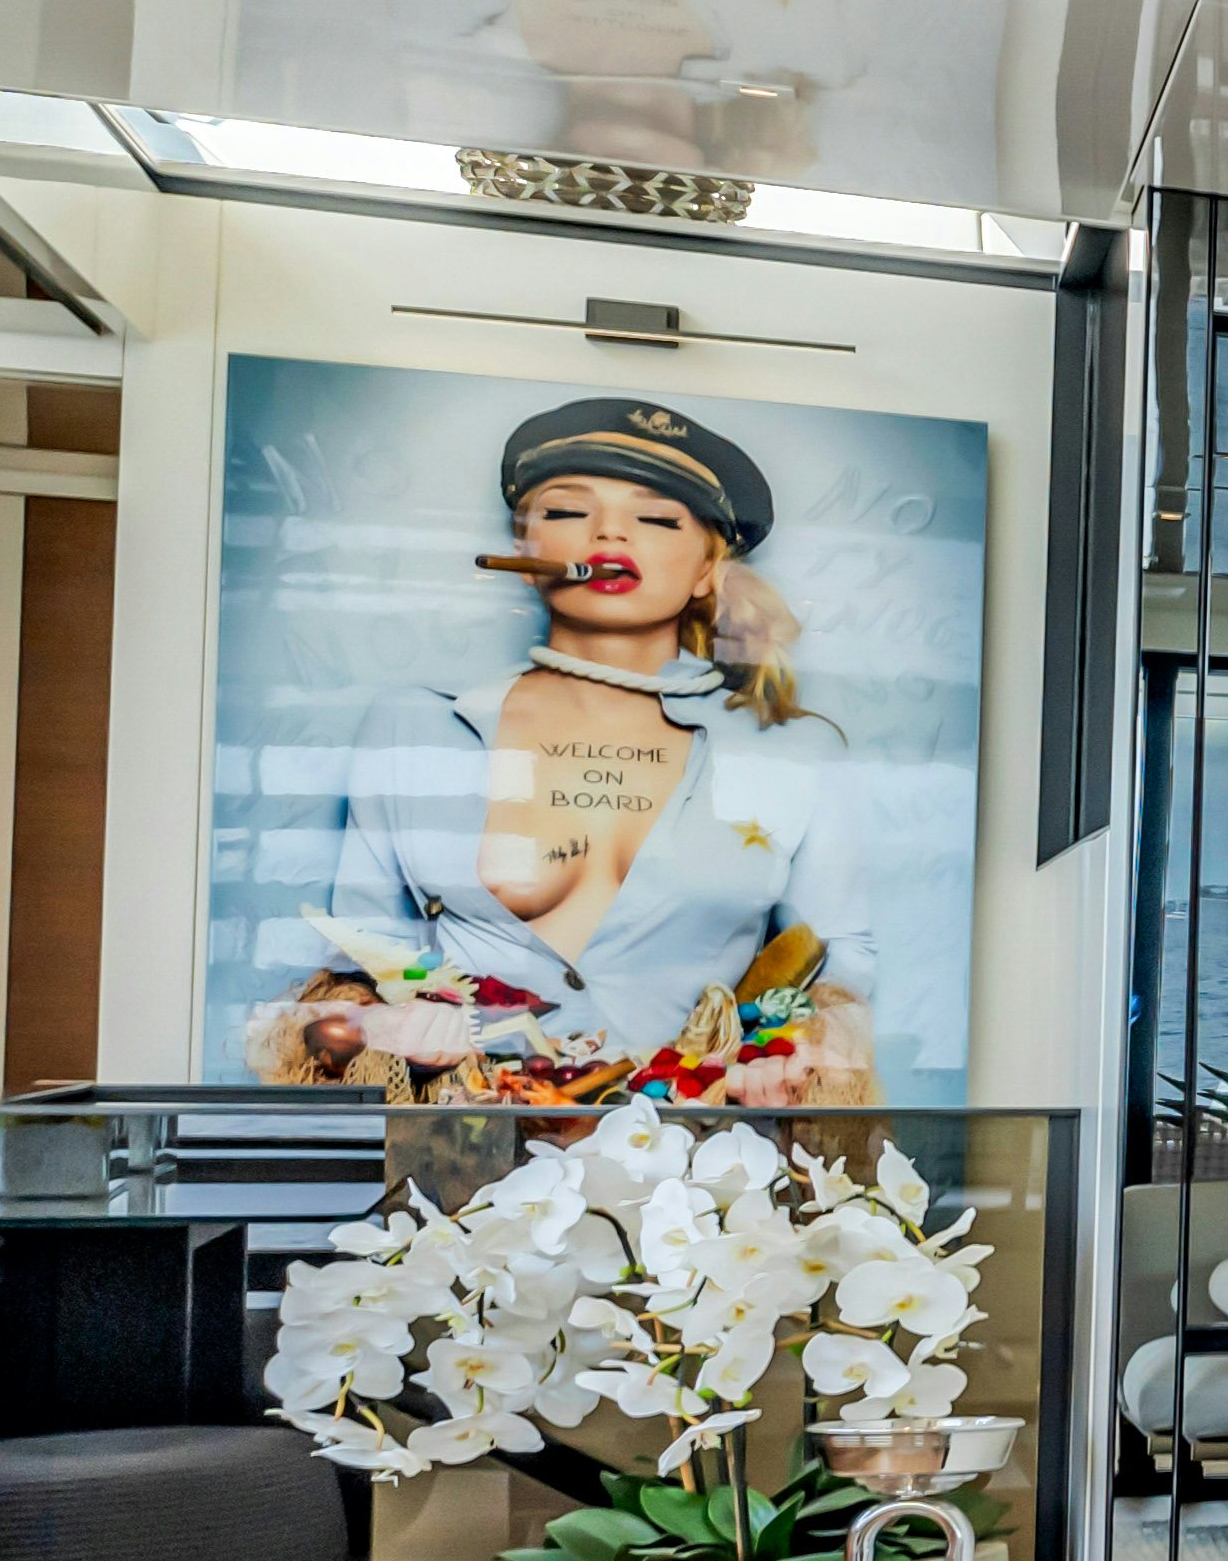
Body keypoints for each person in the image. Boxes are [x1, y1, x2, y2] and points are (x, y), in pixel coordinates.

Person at [249, 393, 885, 1106]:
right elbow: (357, 959)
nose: (609, 535)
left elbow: (837, 959)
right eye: (566, 512)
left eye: (655, 518)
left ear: (708, 569)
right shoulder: (413, 728)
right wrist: (382, 1024)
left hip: (702, 1179)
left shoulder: (796, 753)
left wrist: (796, 1051)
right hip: (464, 1176)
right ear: (525, 552)